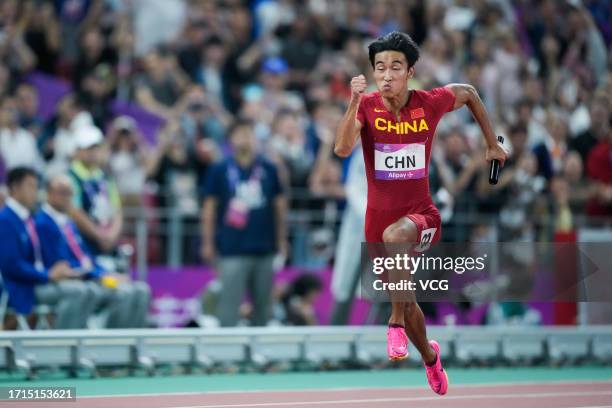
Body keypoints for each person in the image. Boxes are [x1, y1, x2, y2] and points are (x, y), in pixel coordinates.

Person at [334, 31, 507, 395]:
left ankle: (393, 323)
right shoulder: (366, 106)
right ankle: (430, 357)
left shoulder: (429, 102)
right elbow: (342, 147)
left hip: (421, 216)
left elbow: (471, 93)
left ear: (410, 71)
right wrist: (352, 100)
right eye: (379, 67)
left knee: (397, 242)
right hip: (376, 224)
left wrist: (492, 144)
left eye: (395, 66)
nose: (386, 74)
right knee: (409, 300)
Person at [201, 118, 287, 327]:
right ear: (230, 140)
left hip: (264, 247)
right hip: (232, 248)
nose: (244, 139)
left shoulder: (269, 168)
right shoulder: (220, 169)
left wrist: (282, 241)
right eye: (239, 134)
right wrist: (208, 243)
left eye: (248, 133)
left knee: (263, 308)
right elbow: (209, 208)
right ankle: (228, 355)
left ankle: (260, 356)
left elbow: (280, 207)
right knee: (228, 307)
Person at [36, 175, 150, 328]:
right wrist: (99, 276)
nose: (68, 197)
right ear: (49, 194)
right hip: (76, 279)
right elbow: (61, 262)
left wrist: (106, 274)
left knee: (140, 291)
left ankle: (125, 345)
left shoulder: (68, 222)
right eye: (63, 192)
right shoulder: (42, 222)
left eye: (70, 193)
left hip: (88, 275)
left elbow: (85, 256)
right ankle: (84, 344)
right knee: (112, 293)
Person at [0, 167, 90, 329]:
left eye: (36, 186)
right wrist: (47, 275)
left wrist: (59, 271)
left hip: (38, 281)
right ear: (14, 188)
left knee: (85, 289)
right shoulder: (5, 219)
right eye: (30, 186)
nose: (35, 192)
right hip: (22, 286)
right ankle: (63, 345)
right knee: (78, 292)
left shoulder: (27, 217)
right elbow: (11, 265)